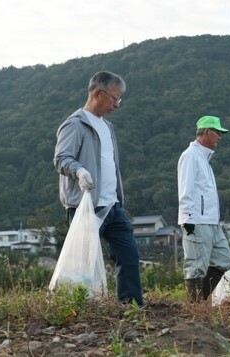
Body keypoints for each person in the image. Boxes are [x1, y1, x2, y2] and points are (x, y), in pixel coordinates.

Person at [53, 71, 143, 306]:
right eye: (115, 98)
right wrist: (80, 171)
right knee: (84, 261)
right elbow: (61, 159)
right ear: (97, 94)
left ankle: (131, 306)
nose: (117, 104)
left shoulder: (107, 127)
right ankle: (77, 306)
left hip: (112, 205)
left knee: (129, 255)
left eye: (119, 99)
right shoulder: (75, 124)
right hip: (86, 206)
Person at [177, 115, 230, 302]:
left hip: (211, 221)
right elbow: (185, 189)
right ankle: (195, 307)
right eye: (217, 132)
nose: (220, 137)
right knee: (195, 266)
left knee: (224, 259)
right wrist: (188, 218)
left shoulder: (204, 159)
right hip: (197, 220)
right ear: (207, 132)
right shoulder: (190, 156)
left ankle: (200, 300)